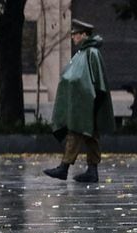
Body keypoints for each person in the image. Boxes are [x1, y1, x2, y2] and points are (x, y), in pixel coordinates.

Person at [44, 19, 115, 183]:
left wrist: (92, 103)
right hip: (82, 103)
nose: (73, 38)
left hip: (88, 104)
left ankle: (64, 167)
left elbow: (97, 82)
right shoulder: (81, 54)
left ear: (84, 35)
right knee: (90, 136)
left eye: (75, 34)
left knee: (76, 133)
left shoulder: (92, 53)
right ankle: (92, 170)